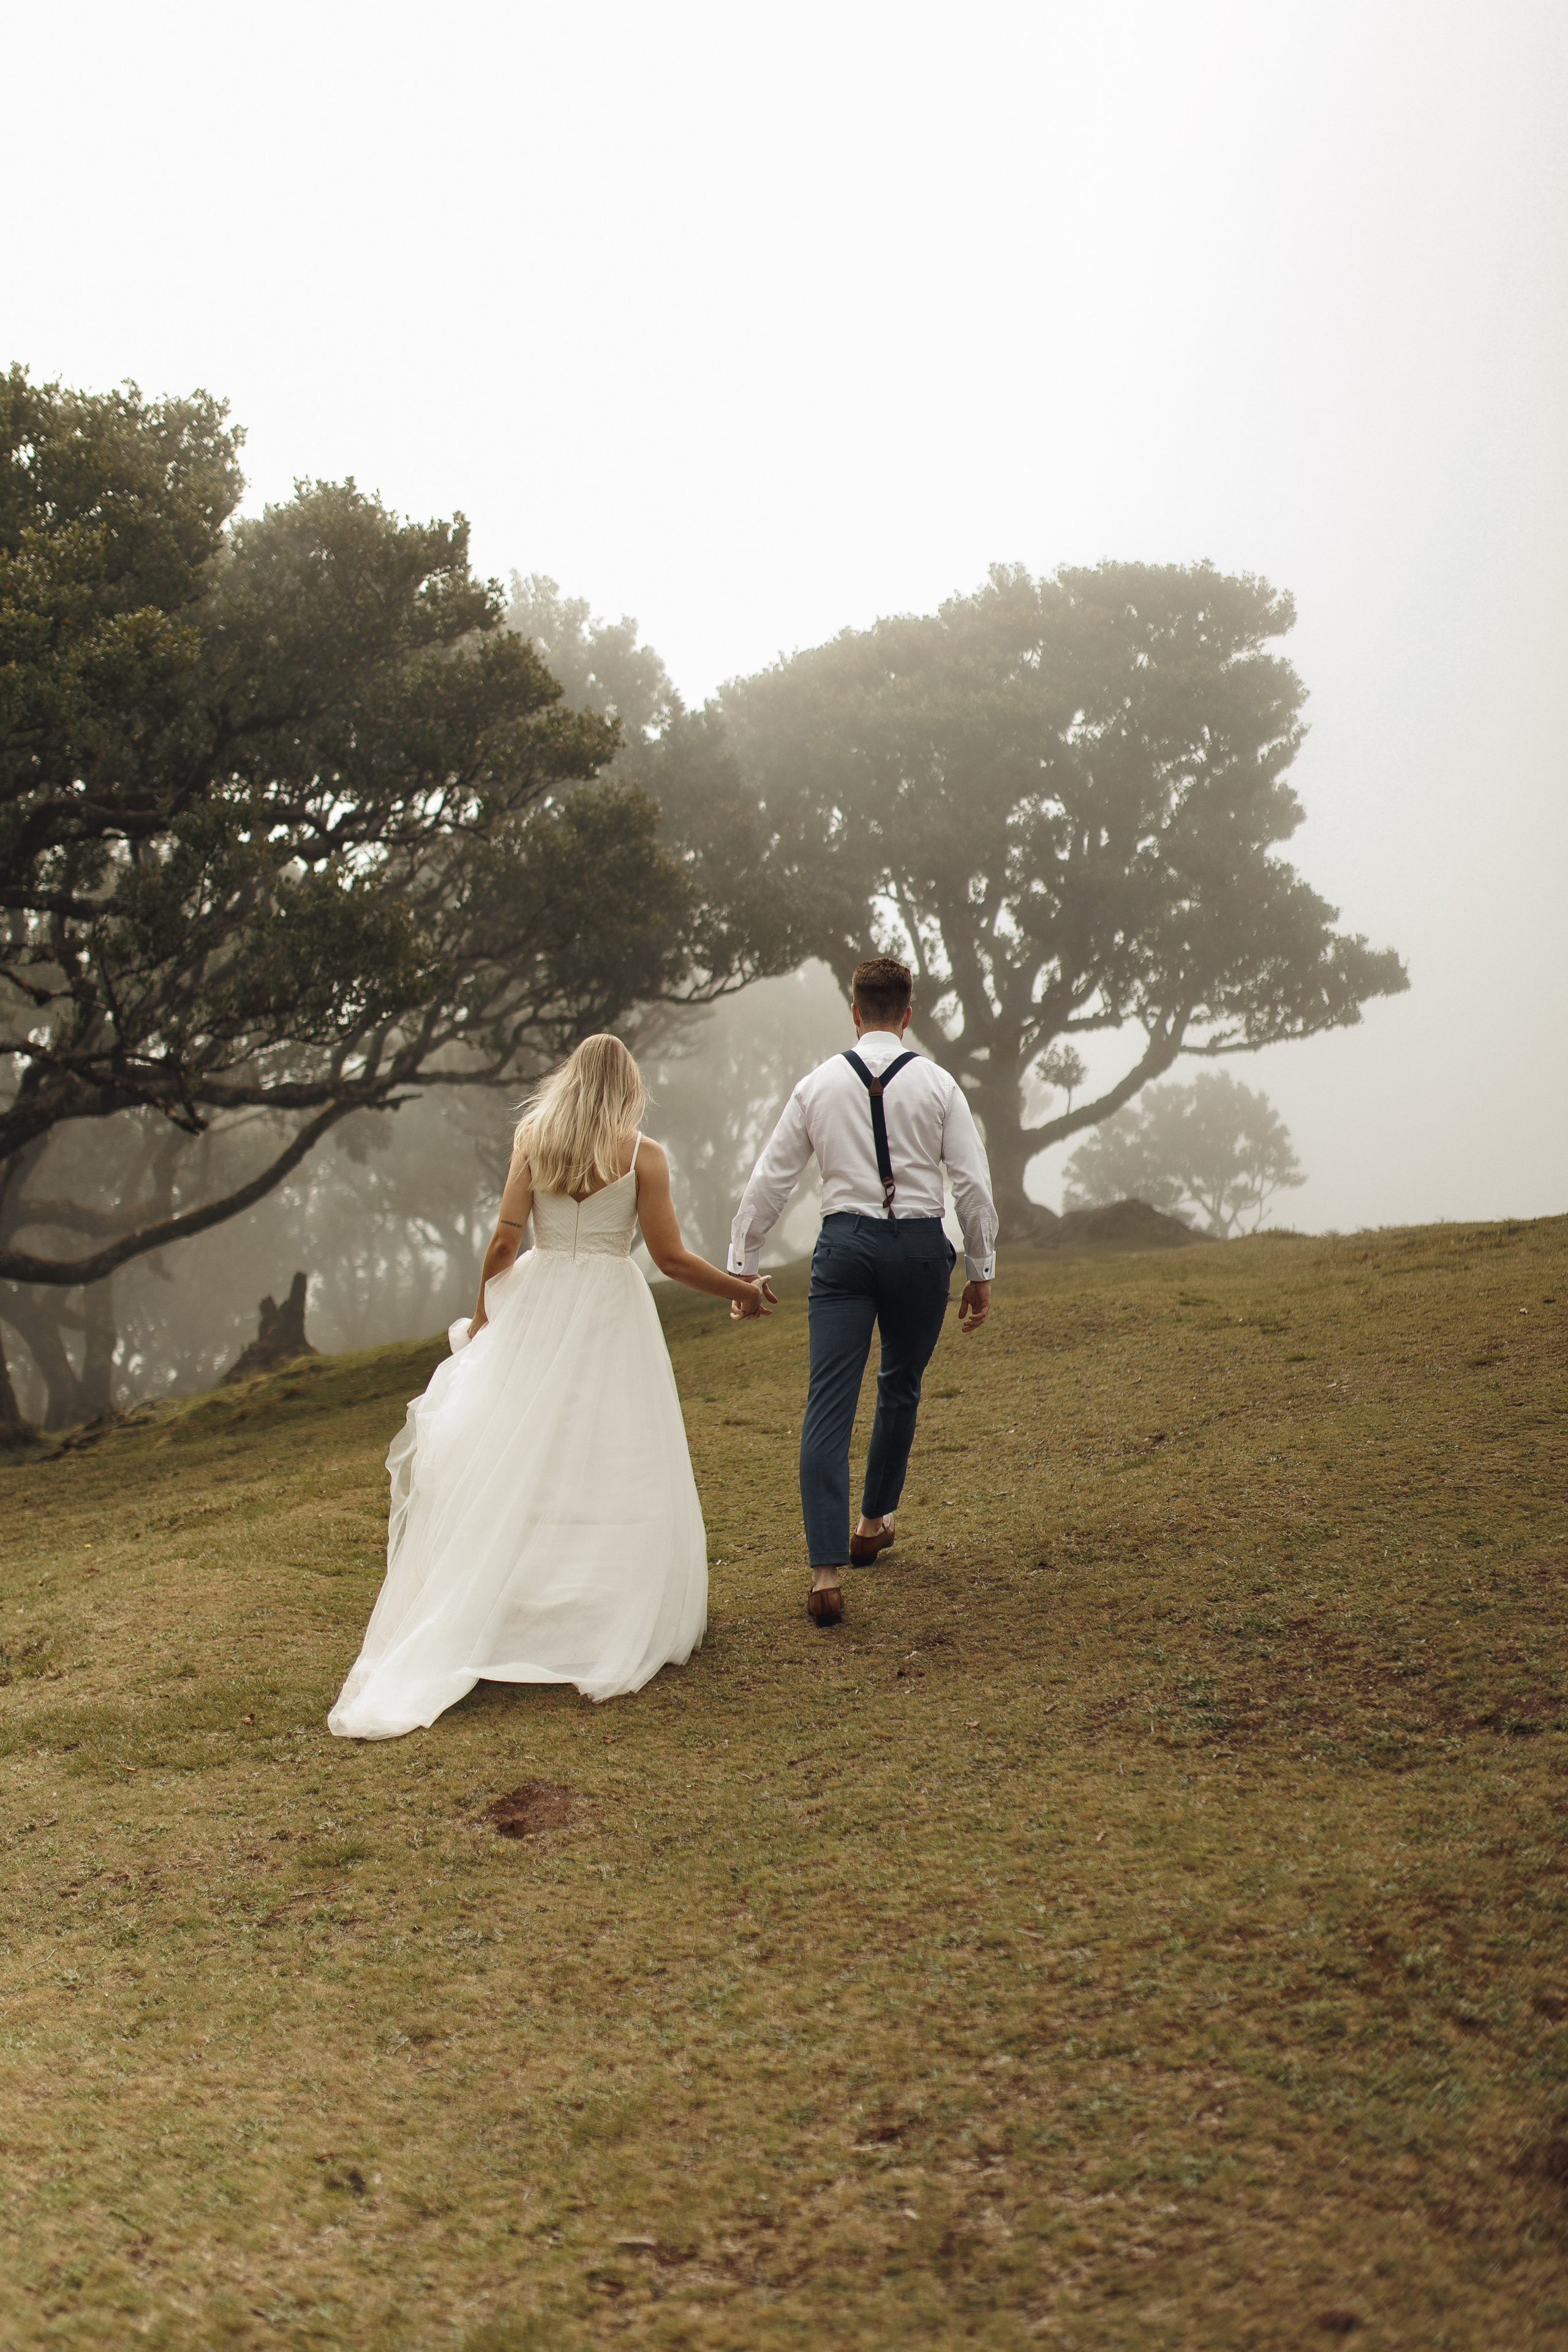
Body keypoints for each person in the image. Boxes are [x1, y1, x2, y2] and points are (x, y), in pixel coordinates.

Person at [328, 1035, 774, 1739]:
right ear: (628, 1088)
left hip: (537, 1306)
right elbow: (669, 1259)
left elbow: (505, 1243)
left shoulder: (534, 1141)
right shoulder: (643, 1156)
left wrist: (485, 1316)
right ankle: (597, 1608)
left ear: (570, 1080)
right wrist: (742, 1290)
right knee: (610, 1452)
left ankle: (519, 1602)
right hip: (610, 1309)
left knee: (521, 1450)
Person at [728, 956, 997, 1625]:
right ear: (907, 1013)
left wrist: (743, 1264)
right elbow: (971, 1184)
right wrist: (980, 1268)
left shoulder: (817, 1085)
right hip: (920, 1250)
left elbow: (770, 1180)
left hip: (844, 1247)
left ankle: (825, 1575)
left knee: (828, 1402)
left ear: (855, 1012)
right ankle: (873, 1522)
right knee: (900, 1384)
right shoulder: (938, 1084)